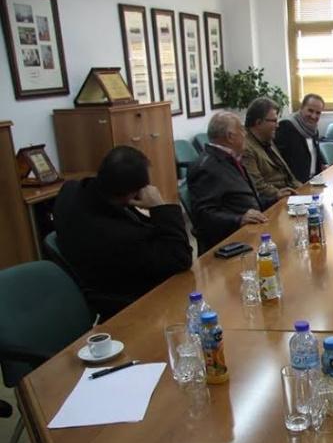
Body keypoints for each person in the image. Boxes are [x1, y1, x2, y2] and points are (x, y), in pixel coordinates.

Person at [54, 146, 192, 319]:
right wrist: (160, 207)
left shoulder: (70, 190)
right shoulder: (123, 237)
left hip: (98, 271)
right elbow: (180, 259)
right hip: (132, 304)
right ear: (133, 194)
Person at [188, 111, 269, 253]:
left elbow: (245, 199)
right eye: (242, 130)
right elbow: (203, 215)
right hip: (229, 243)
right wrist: (239, 219)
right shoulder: (206, 167)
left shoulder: (230, 158)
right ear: (230, 137)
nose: (245, 134)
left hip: (253, 229)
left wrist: (276, 197)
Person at [242, 97, 301, 201]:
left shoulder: (267, 138)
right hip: (274, 201)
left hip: (289, 195)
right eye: (274, 121)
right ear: (258, 122)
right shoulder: (245, 148)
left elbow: (287, 174)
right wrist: (279, 194)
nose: (277, 125)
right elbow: (258, 186)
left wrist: (303, 190)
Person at [275, 93, 327, 184]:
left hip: (314, 181)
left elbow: (315, 152)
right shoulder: (286, 126)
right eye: (310, 111)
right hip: (296, 184)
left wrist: (323, 164)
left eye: (318, 113)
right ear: (302, 108)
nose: (313, 116)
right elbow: (278, 159)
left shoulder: (313, 129)